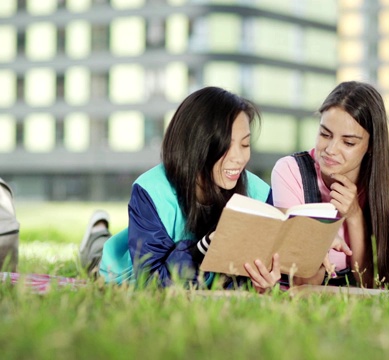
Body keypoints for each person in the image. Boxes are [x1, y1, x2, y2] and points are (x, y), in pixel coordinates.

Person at [80, 86, 281, 293]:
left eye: (245, 145)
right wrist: (201, 250)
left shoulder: (258, 193)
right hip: (125, 270)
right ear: (197, 144)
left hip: (195, 279)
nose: (239, 158)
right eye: (226, 146)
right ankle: (97, 232)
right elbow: (150, 284)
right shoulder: (152, 190)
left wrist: (261, 281)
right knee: (96, 255)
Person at [270, 81, 389, 290]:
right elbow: (302, 282)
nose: (330, 149)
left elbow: (374, 282)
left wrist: (354, 215)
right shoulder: (290, 172)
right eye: (325, 134)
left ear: (371, 146)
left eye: (348, 143)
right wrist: (319, 240)